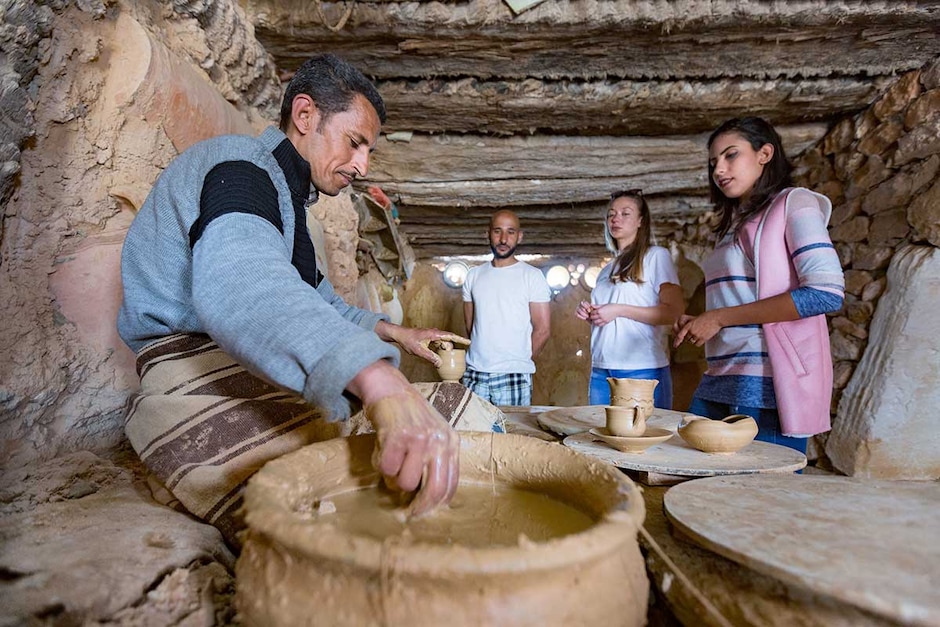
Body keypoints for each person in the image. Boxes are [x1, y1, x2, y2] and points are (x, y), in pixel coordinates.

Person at [117, 54, 468, 545]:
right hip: (192, 373)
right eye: (354, 142)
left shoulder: (288, 202)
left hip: (239, 368)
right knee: (328, 511)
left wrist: (394, 334)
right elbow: (243, 282)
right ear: (305, 116)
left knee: (455, 421)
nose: (363, 165)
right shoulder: (240, 167)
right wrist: (379, 379)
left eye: (367, 150)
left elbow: (320, 303)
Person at [673, 117, 845, 453]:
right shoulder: (733, 225)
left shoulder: (794, 204)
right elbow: (739, 298)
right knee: (701, 487)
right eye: (713, 163)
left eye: (730, 155)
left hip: (766, 384)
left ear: (764, 153)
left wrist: (719, 318)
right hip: (721, 376)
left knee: (759, 498)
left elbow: (825, 294)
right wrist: (704, 320)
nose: (719, 169)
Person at [576, 189, 684, 409]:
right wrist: (593, 314)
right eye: (611, 214)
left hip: (640, 369)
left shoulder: (656, 256)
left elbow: (673, 311)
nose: (616, 219)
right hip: (601, 369)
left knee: (643, 440)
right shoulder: (606, 270)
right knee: (599, 438)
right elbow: (613, 316)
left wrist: (617, 309)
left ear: (640, 221)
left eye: (625, 213)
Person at [461, 210, 551, 406]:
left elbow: (543, 330)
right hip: (475, 373)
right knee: (472, 434)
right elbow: (471, 325)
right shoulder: (473, 276)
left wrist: (517, 361)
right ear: (488, 234)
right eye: (497, 231)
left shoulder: (532, 276)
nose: (503, 239)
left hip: (514, 375)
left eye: (510, 232)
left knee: (511, 434)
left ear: (519, 236)